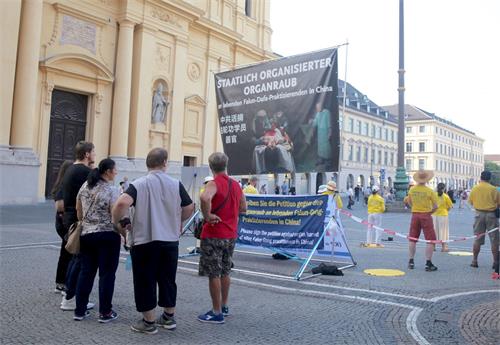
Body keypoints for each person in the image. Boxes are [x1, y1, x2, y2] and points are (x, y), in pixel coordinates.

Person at [112, 148, 194, 334]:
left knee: (145, 279)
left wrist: (117, 220)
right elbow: (189, 206)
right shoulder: (176, 183)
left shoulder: (139, 184)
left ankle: (148, 322)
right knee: (167, 279)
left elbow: (121, 203)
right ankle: (168, 317)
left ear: (147, 164)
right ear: (165, 162)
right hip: (170, 240)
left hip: (145, 240)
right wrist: (177, 220)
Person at [197, 152, 246, 324]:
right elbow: (244, 207)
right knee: (225, 270)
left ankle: (216, 312)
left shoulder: (214, 183)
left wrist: (207, 214)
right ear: (226, 165)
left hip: (214, 234)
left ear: (211, 167)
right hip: (230, 234)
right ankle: (224, 306)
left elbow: (204, 197)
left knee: (214, 273)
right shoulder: (236, 185)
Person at [73, 158, 121, 322]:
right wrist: (123, 234)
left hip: (87, 234)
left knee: (86, 273)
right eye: (115, 169)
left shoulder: (85, 186)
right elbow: (115, 215)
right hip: (107, 235)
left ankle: (79, 310)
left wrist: (85, 224)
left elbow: (78, 209)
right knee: (107, 275)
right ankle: (105, 312)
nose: (117, 172)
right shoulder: (112, 190)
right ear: (108, 171)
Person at [60, 141, 96, 311]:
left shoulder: (69, 170)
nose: (95, 155)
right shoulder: (85, 172)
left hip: (68, 218)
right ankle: (71, 298)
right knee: (80, 261)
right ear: (87, 154)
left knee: (75, 259)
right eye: (93, 152)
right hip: (79, 219)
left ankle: (69, 295)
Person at [405, 170, 439, 271]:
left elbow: (409, 202)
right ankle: (428, 263)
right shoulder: (429, 191)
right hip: (426, 215)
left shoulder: (412, 190)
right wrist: (430, 212)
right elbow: (435, 206)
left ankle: (411, 261)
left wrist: (414, 208)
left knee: (413, 238)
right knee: (430, 239)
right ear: (426, 179)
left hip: (415, 215)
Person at [468, 171, 500, 269]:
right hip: (491, 215)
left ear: (481, 177)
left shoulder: (475, 188)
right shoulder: (493, 189)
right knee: (494, 240)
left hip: (479, 214)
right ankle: (495, 262)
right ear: (489, 178)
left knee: (477, 238)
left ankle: (474, 260)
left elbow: (471, 202)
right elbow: (498, 203)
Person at [51, 160, 73, 294]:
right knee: (68, 253)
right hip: (63, 222)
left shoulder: (64, 184)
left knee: (65, 253)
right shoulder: (63, 186)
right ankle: (63, 282)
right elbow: (59, 206)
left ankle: (60, 282)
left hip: (62, 222)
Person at [311, 101, 333, 170]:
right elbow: (315, 123)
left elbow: (329, 122)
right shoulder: (318, 114)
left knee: (326, 147)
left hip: (326, 132)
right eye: (316, 108)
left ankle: (328, 161)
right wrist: (311, 121)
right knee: (320, 147)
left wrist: (330, 132)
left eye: (318, 107)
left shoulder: (327, 112)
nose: (317, 109)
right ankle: (321, 159)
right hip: (320, 133)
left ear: (321, 107)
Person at [432, 183, 453, 252]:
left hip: (434, 215)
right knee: (443, 232)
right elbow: (450, 206)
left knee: (434, 231)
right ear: (444, 189)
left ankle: (433, 247)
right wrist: (446, 210)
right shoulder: (446, 196)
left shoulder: (433, 195)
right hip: (443, 215)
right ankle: (444, 247)